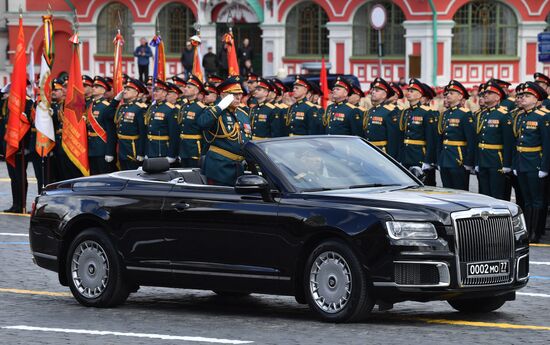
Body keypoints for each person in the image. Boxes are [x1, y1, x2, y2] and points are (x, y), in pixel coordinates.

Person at [513, 82, 550, 243]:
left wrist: (544, 167)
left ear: (537, 99)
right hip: (522, 163)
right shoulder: (521, 116)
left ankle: (535, 232)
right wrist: (515, 164)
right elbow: (518, 143)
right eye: (523, 96)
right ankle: (527, 231)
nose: (524, 98)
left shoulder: (543, 117)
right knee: (526, 199)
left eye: (528, 96)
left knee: (536, 200)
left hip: (535, 163)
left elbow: (547, 144)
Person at [198, 76, 251, 186]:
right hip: (219, 168)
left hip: (238, 167)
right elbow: (202, 123)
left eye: (240, 94)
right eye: (233, 94)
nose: (238, 97)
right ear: (223, 95)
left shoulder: (243, 114)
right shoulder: (214, 111)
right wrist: (220, 107)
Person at [474, 80, 514, 200]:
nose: (485, 95)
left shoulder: (503, 115)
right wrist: (477, 162)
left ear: (497, 97)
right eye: (485, 93)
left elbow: (508, 142)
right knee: (484, 195)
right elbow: (478, 140)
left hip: (497, 160)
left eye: (489, 93)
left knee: (497, 195)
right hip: (483, 159)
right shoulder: (482, 114)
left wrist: (507, 164)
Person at [398, 79, 438, 185]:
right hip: (406, 156)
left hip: (419, 155)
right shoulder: (405, 112)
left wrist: (428, 161)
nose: (408, 93)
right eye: (408, 90)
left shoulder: (426, 112)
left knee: (424, 186)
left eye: (412, 91)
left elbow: (431, 139)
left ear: (420, 95)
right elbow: (402, 136)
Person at [438, 80, 476, 191]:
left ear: (460, 97)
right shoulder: (445, 114)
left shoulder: (465, 114)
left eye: (451, 93)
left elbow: (471, 140)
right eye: (447, 93)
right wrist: (439, 159)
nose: (448, 95)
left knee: (460, 192)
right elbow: (441, 138)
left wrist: (468, 162)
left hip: (458, 159)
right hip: (445, 158)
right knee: (447, 191)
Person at [87, 76, 122, 175]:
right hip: (91, 148)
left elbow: (111, 132)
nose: (93, 88)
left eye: (97, 87)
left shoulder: (106, 106)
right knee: (93, 176)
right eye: (93, 86)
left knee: (103, 175)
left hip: (102, 148)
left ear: (103, 90)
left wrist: (110, 152)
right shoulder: (90, 105)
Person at [362, 77, 401, 159]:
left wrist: (391, 159)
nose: (373, 92)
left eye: (377, 91)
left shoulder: (390, 112)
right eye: (373, 90)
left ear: (384, 95)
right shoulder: (369, 111)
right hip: (368, 152)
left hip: (382, 153)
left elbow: (393, 139)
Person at [115, 78, 148, 170]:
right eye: (125, 89)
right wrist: (116, 100)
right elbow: (107, 114)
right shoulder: (122, 107)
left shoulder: (140, 108)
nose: (124, 91)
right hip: (121, 147)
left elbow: (143, 132)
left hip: (133, 148)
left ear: (136, 93)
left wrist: (141, 153)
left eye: (128, 90)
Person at [144, 79, 179, 163]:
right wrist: (146, 151)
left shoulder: (170, 109)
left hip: (162, 149)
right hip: (150, 148)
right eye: (154, 90)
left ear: (164, 93)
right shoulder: (152, 107)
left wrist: (171, 154)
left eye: (157, 91)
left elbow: (174, 135)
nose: (154, 93)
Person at [178, 75, 207, 168]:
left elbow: (205, 133)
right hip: (183, 148)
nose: (185, 89)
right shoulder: (184, 106)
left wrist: (204, 152)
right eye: (186, 86)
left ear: (196, 91)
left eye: (189, 87)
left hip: (195, 149)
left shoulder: (201, 108)